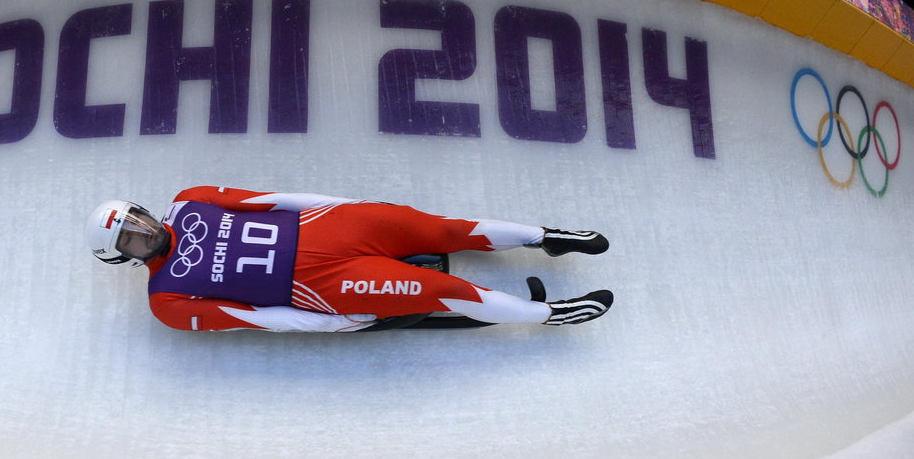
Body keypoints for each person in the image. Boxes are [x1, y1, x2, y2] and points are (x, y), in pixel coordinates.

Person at [85, 186, 613, 332]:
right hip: (325, 283)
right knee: (446, 294)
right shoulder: (167, 299)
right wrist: (326, 324)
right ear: (124, 258)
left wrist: (340, 207)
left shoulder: (192, 198)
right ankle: (552, 315)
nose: (143, 233)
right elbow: (254, 319)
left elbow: (275, 200)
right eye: (131, 239)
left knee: (445, 228)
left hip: (332, 226)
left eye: (138, 220)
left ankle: (548, 236)